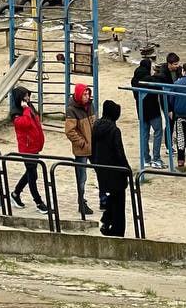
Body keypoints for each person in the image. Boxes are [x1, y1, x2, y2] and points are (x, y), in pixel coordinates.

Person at [91, 100, 131, 237]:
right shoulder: (114, 130)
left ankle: (107, 222)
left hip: (102, 170)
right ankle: (117, 230)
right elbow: (119, 152)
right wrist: (127, 169)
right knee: (118, 203)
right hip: (116, 172)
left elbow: (92, 149)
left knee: (110, 199)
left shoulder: (96, 126)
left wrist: (96, 164)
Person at [9, 85, 47, 212]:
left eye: (28, 95)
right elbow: (25, 124)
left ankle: (15, 193)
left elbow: (35, 122)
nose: (28, 98)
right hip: (26, 148)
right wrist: (25, 110)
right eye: (25, 96)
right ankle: (38, 202)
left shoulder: (29, 107)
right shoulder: (16, 113)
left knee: (31, 173)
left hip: (34, 146)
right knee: (32, 175)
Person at [63, 82, 98, 218]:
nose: (87, 96)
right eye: (84, 94)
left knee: (101, 171)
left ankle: (103, 199)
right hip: (82, 149)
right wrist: (82, 143)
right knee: (82, 178)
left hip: (93, 146)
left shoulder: (90, 106)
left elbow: (95, 123)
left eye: (88, 93)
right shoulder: (72, 110)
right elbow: (70, 131)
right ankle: (81, 202)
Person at [131, 56, 164, 168]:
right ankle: (156, 159)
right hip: (153, 110)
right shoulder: (150, 79)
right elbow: (160, 87)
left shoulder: (134, 80)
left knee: (144, 135)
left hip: (141, 110)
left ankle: (146, 159)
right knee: (158, 132)